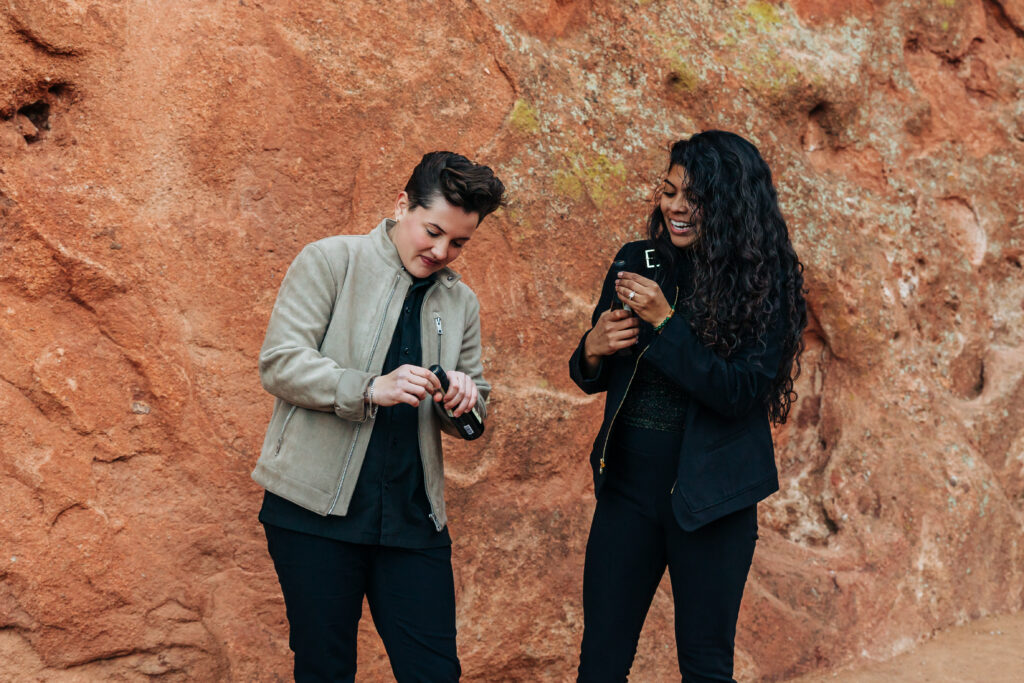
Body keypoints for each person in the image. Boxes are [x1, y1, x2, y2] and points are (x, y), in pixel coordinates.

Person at [252, 151, 504, 682]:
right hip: (313, 513)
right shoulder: (329, 261)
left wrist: (463, 402)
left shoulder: (463, 304)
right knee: (325, 670)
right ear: (401, 205)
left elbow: (475, 412)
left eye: (459, 243)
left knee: (435, 673)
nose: (441, 251)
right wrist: (369, 386)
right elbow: (279, 364)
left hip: (414, 518)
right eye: (433, 231)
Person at [569, 130, 807, 682]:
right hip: (628, 494)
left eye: (693, 197)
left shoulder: (763, 283)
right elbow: (593, 375)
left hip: (714, 501)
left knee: (704, 665)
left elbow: (739, 394)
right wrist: (591, 351)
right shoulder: (638, 260)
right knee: (600, 660)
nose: (675, 207)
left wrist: (665, 324)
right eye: (670, 191)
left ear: (728, 203)